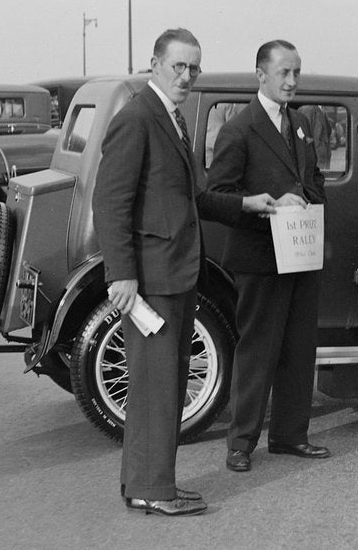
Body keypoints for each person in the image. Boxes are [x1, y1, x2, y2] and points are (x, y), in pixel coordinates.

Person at [91, 28, 276, 516]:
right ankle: (154, 488)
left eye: (194, 67)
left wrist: (247, 204)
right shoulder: (138, 118)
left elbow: (193, 198)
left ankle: (147, 483)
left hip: (173, 274)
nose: (188, 76)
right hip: (151, 279)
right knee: (156, 387)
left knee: (164, 385)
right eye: (179, 66)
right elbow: (110, 202)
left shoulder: (170, 118)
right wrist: (123, 275)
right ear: (154, 64)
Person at [207, 40, 330, 472]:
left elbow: (314, 182)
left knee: (299, 349)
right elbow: (217, 196)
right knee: (257, 351)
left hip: (300, 254)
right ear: (261, 74)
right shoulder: (239, 129)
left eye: (297, 72)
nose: (293, 81)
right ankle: (240, 443)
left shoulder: (301, 124)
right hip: (259, 258)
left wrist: (300, 197)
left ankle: (290, 435)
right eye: (284, 73)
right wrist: (265, 204)